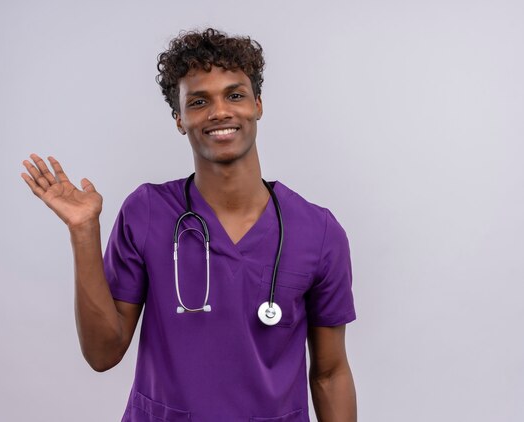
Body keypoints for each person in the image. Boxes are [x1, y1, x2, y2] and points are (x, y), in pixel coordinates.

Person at [21, 28, 357, 422]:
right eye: (199, 101)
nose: (220, 112)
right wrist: (83, 231)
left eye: (235, 95)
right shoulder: (147, 212)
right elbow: (102, 353)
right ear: (179, 119)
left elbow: (331, 374)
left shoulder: (317, 232)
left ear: (258, 104)